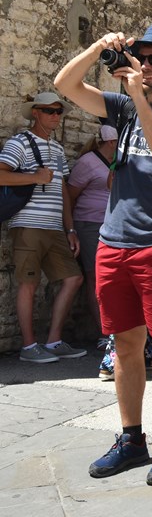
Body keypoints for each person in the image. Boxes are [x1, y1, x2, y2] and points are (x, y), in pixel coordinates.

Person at [54, 24, 152, 485]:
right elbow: (65, 85)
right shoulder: (121, 106)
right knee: (123, 344)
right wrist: (98, 48)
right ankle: (131, 438)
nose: (147, 65)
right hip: (113, 243)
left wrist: (139, 95)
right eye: (141, 57)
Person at [0, 93, 85, 363]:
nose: (56, 116)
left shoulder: (57, 149)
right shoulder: (20, 142)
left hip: (54, 227)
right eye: (49, 111)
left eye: (59, 112)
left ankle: (54, 341)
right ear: (35, 113)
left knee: (73, 278)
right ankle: (28, 347)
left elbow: (62, 190)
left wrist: (70, 230)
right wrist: (34, 177)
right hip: (28, 224)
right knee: (29, 284)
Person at [68, 124, 118, 342]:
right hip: (89, 224)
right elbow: (70, 195)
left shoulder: (120, 162)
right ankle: (105, 334)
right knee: (95, 277)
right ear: (112, 142)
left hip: (114, 225)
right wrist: (70, 229)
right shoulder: (88, 162)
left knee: (114, 278)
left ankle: (116, 330)